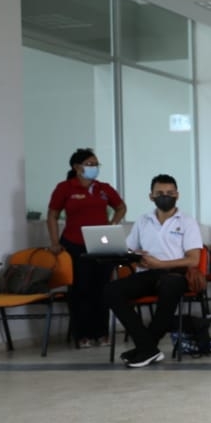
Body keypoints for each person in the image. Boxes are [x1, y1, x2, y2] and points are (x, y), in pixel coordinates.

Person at [103, 174, 207, 368]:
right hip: (148, 274)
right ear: (151, 196)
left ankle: (146, 347)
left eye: (170, 193)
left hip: (177, 274)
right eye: (160, 193)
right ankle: (147, 347)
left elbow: (193, 259)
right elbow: (129, 249)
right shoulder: (143, 220)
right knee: (111, 290)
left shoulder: (187, 221)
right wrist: (134, 255)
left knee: (169, 285)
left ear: (177, 195)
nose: (165, 196)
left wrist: (160, 264)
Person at [46, 148, 126, 348]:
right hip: (74, 244)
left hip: (100, 244)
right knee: (80, 289)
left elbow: (121, 207)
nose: (94, 167)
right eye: (90, 164)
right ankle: (82, 334)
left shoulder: (103, 188)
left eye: (96, 164)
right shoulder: (65, 188)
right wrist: (54, 242)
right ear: (77, 167)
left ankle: (102, 333)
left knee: (102, 288)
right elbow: (53, 215)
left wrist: (112, 224)